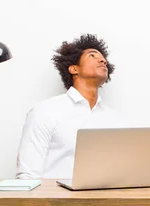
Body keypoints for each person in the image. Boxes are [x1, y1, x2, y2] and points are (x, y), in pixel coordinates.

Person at [16, 34, 120, 179]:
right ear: (73, 69)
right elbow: (27, 175)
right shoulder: (45, 111)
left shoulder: (114, 119)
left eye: (103, 58)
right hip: (54, 200)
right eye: (92, 55)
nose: (103, 60)